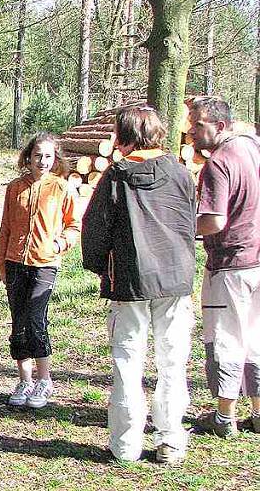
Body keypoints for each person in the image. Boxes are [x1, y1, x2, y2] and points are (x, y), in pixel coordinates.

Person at [82, 106, 196, 465]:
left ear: (123, 135)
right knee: (172, 361)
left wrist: (99, 267)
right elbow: (189, 221)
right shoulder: (180, 172)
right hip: (175, 278)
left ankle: (126, 445)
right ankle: (171, 441)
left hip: (130, 280)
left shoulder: (117, 175)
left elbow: (95, 226)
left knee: (128, 361)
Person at [188, 97, 260, 438]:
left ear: (219, 125)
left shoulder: (219, 162)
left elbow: (214, 221)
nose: (191, 131)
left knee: (225, 339)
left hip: (230, 264)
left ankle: (224, 415)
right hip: (257, 260)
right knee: (256, 337)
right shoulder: (253, 149)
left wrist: (181, 227)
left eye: (197, 125)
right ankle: (258, 412)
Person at [0, 132, 80, 409]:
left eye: (48, 156)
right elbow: (6, 227)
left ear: (55, 159)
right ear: (28, 157)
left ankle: (44, 380)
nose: (42, 161)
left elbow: (73, 226)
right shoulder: (15, 188)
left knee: (35, 319)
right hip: (15, 261)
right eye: (37, 156)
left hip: (45, 263)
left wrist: (59, 243)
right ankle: (24, 379)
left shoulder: (62, 188)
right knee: (18, 323)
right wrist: (1, 262)